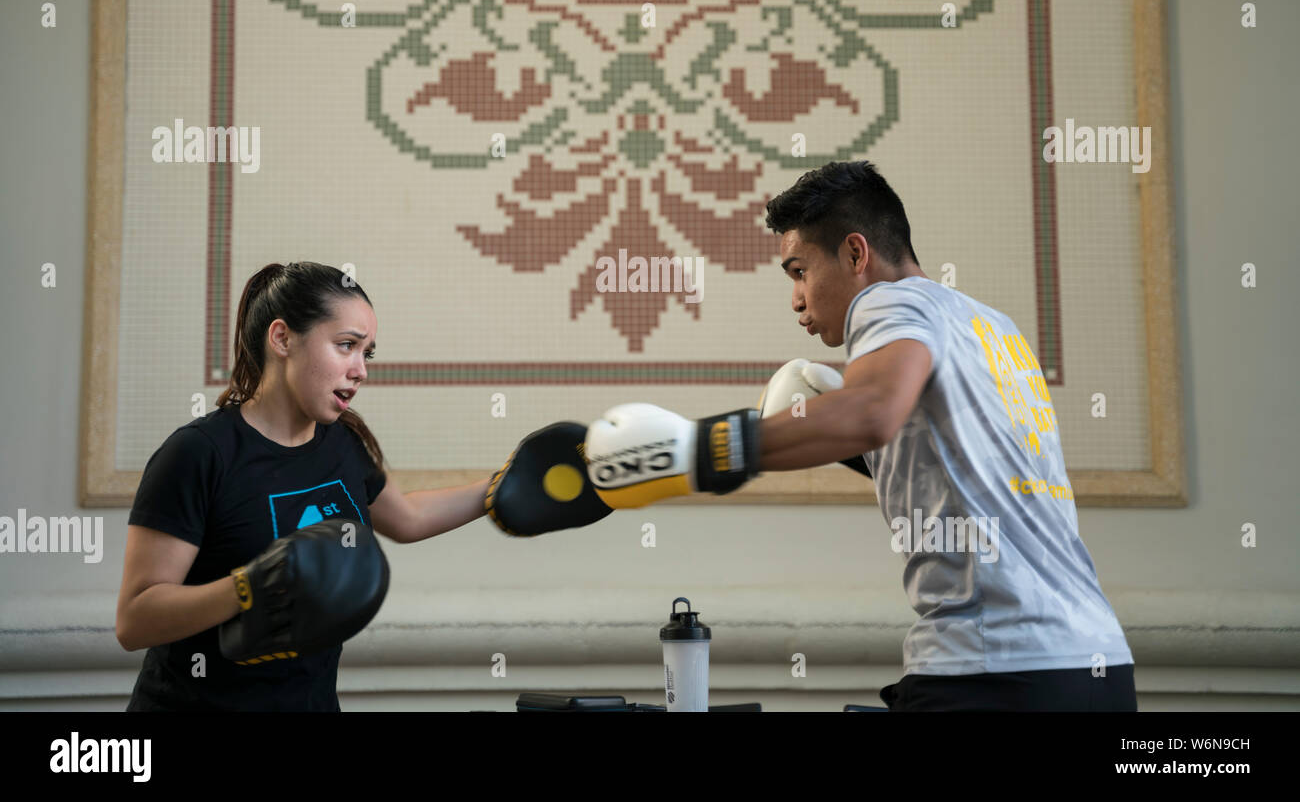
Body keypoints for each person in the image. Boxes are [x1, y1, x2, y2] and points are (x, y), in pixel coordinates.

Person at [583, 160, 1138, 711]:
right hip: (1098, 667)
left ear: (855, 253)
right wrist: (863, 451)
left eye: (799, 271)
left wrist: (697, 452)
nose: (796, 300)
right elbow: (966, 467)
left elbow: (873, 410)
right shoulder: (993, 327)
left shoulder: (889, 300)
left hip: (989, 672)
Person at [117, 261, 500, 711]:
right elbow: (134, 620)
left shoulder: (340, 444)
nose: (360, 370)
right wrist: (248, 586)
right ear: (281, 338)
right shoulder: (199, 454)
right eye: (346, 346)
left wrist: (503, 487)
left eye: (366, 353)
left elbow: (407, 518)